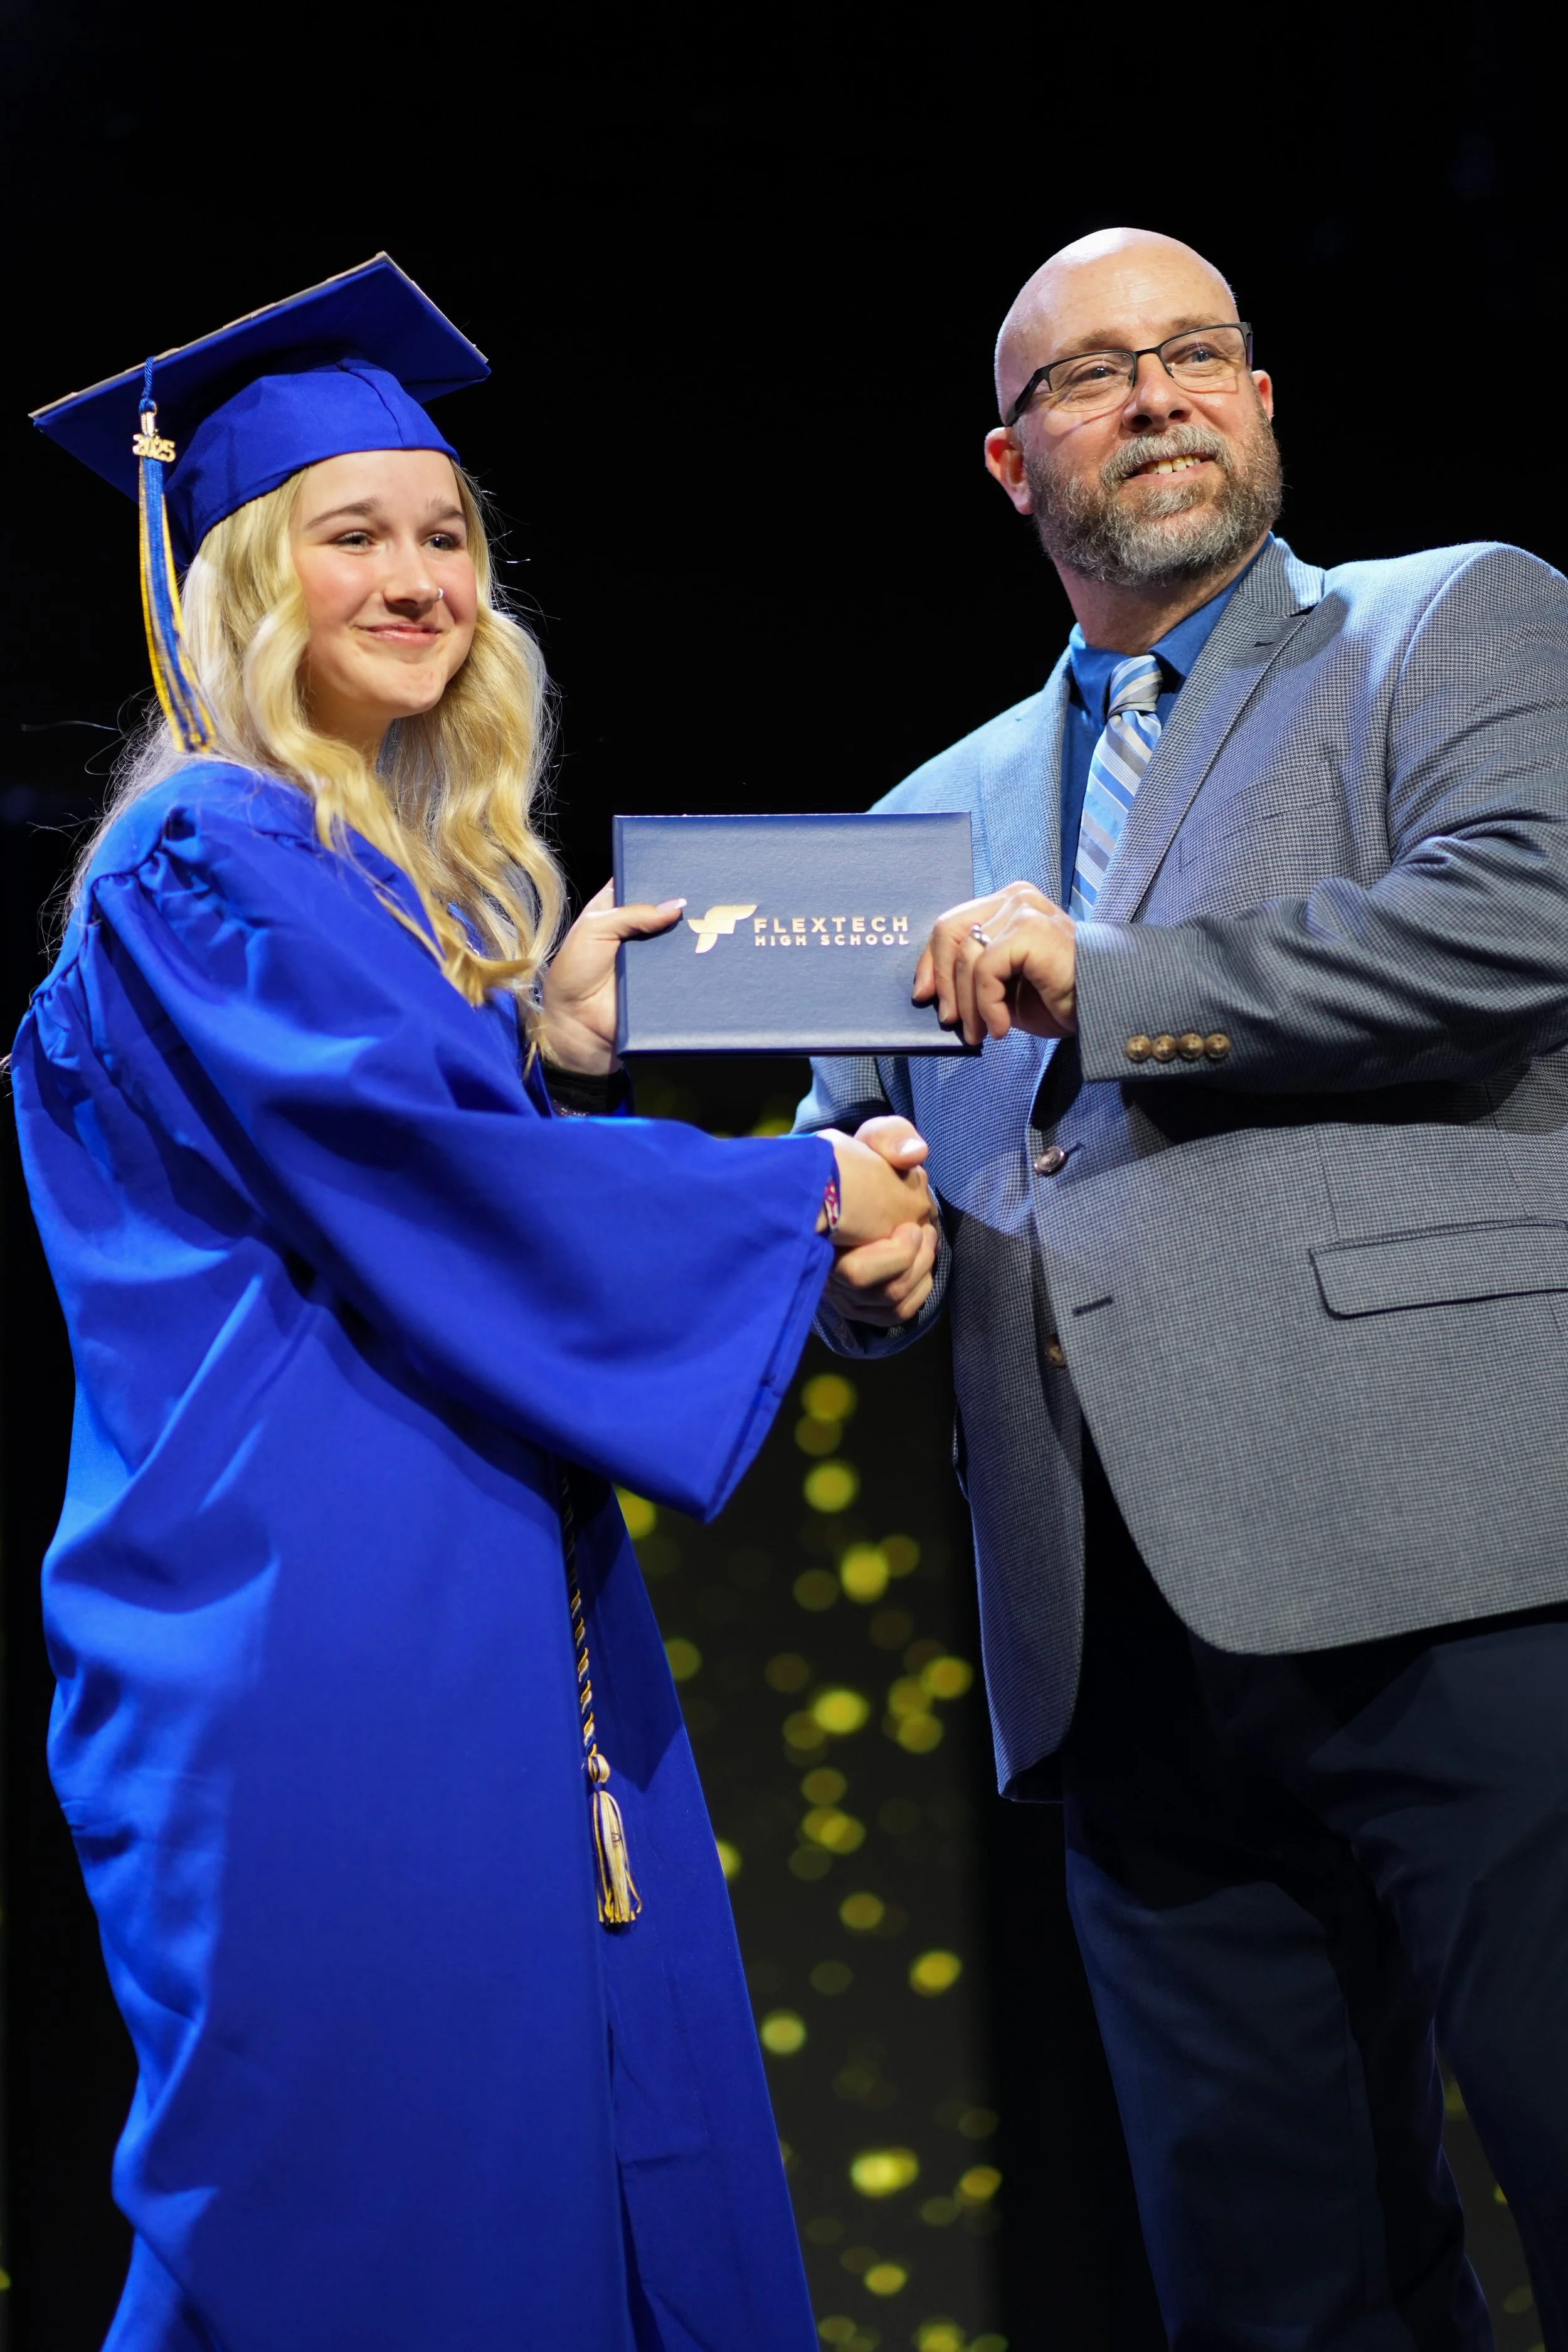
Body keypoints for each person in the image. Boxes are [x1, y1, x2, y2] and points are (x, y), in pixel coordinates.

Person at [13, 256, 935, 2352]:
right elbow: (422, 1182)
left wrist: (538, 1049)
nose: (420, 576)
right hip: (311, 1623)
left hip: (440, 1584)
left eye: (447, 534)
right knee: (373, 2199)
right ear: (239, 579)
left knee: (554, 2157)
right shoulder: (207, 854)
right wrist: (802, 1189)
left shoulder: (331, 883)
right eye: (354, 534)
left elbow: (378, 1165)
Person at [798, 225, 1568, 2346]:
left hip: (1460, 1549)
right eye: (1094, 373)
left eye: (1198, 355)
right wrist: (859, 1246)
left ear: (1257, 399)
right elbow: (847, 1151)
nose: (1155, 394)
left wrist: (1114, 982)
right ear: (1004, 457)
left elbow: (1516, 922)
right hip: (1110, 1625)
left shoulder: (1451, 619)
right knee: (1275, 2286)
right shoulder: (919, 817)